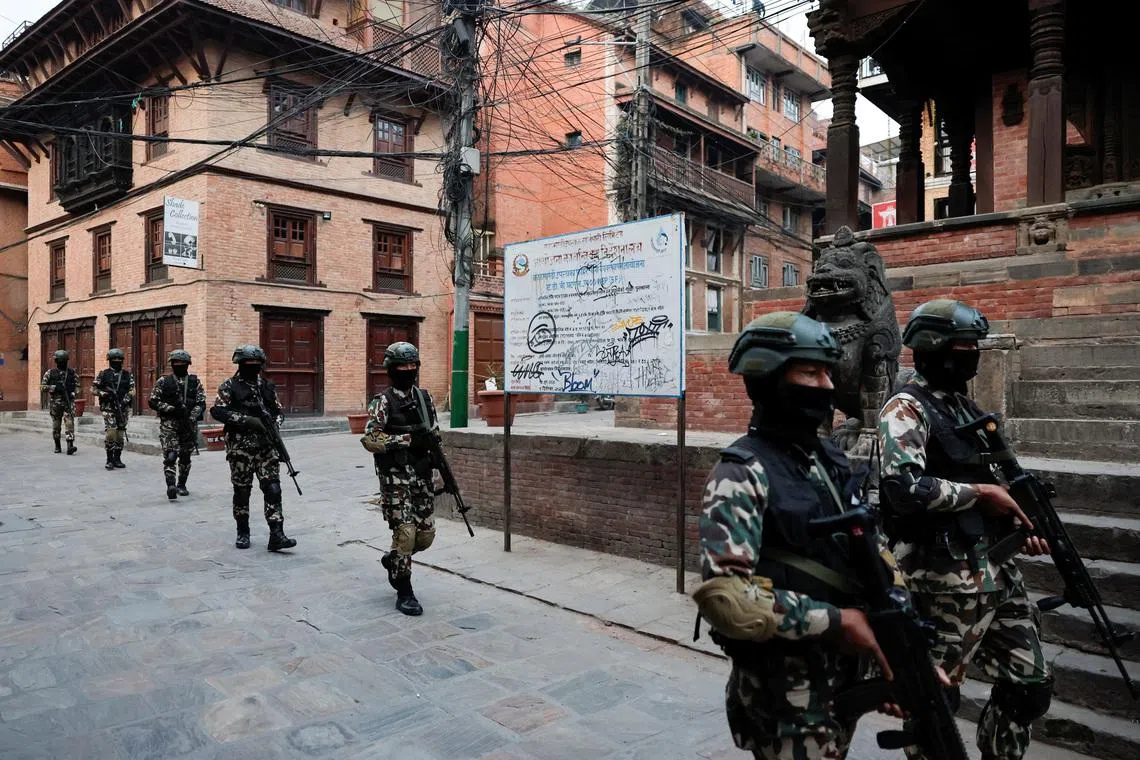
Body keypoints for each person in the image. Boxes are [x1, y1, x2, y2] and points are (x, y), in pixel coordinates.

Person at [693, 311, 909, 759]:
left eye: (828, 372)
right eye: (810, 371)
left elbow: (869, 550)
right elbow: (726, 600)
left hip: (841, 681)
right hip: (786, 696)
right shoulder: (740, 473)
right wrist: (836, 621)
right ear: (769, 377)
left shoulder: (827, 459)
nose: (827, 386)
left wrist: (901, 649)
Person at [879, 299, 1053, 760]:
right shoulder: (905, 408)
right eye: (964, 347)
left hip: (995, 568)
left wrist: (1018, 520)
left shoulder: (961, 406)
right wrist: (981, 494)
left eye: (975, 346)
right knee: (935, 700)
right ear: (933, 350)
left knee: (1029, 686)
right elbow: (903, 488)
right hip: (943, 579)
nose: (972, 355)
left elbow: (995, 476)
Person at [360, 342, 440, 616]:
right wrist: (405, 439)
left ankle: (393, 558)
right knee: (405, 534)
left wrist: (434, 453)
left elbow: (434, 433)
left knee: (425, 537)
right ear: (391, 369)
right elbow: (370, 439)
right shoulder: (383, 401)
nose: (408, 370)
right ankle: (404, 592)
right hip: (395, 479)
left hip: (422, 476)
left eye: (412, 365)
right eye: (401, 366)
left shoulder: (425, 398)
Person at [210, 345, 296, 552]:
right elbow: (218, 411)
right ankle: (243, 532)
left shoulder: (266, 386)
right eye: (249, 364)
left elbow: (278, 412)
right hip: (240, 449)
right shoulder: (229, 386)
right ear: (240, 365)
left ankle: (277, 534)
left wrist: (273, 424)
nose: (253, 368)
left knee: (273, 488)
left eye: (257, 365)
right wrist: (246, 420)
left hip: (266, 448)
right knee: (242, 491)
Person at [149, 349, 206, 500]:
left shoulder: (194, 382)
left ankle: (182, 484)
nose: (179, 365)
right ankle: (171, 485)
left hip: (188, 424)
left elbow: (201, 402)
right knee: (170, 455)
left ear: (187, 364)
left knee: (185, 456)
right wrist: (170, 409)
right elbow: (153, 401)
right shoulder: (164, 382)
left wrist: (192, 415)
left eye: (182, 363)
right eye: (176, 363)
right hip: (170, 424)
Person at [92, 348, 134, 470]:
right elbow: (93, 389)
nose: (116, 361)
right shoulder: (103, 374)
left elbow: (132, 390)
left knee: (120, 434)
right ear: (109, 360)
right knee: (111, 432)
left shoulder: (127, 374)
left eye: (119, 359)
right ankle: (109, 459)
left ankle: (117, 458)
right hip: (109, 408)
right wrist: (104, 394)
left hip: (123, 408)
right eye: (114, 359)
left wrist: (126, 400)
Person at [40, 349, 78, 455]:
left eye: (64, 360)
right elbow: (42, 387)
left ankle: (70, 445)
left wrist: (73, 392)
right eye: (60, 360)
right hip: (56, 403)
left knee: (69, 423)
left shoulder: (72, 373)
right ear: (56, 361)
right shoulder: (50, 373)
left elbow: (78, 386)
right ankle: (57, 445)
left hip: (68, 402)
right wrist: (54, 388)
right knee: (56, 425)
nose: (62, 362)